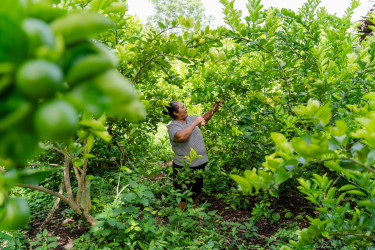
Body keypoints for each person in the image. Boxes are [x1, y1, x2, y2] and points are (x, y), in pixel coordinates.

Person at [164, 100, 223, 211]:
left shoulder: (189, 119)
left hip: (199, 164)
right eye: (182, 107)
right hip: (184, 166)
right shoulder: (173, 126)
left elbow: (203, 119)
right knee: (182, 192)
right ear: (175, 113)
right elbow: (181, 137)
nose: (185, 108)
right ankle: (180, 216)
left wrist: (213, 109)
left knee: (197, 188)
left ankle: (193, 212)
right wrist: (195, 123)